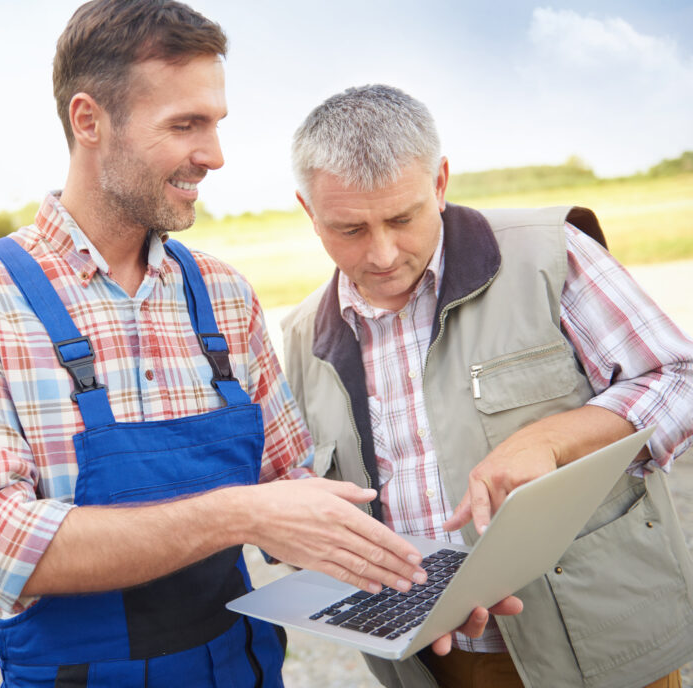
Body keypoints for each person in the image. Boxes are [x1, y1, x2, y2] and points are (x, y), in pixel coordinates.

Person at [0, 4, 498, 686]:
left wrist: (423, 584)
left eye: (215, 124)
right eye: (185, 125)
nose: (214, 155)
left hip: (239, 669)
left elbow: (294, 499)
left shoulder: (222, 293)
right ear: (90, 121)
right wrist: (238, 513)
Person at [282, 83, 693, 688]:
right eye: (349, 229)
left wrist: (555, 438)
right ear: (308, 211)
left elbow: (678, 376)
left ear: (440, 181)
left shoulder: (548, 254)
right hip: (430, 663)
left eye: (402, 217)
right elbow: (298, 498)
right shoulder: (296, 338)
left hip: (598, 649)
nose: (384, 253)